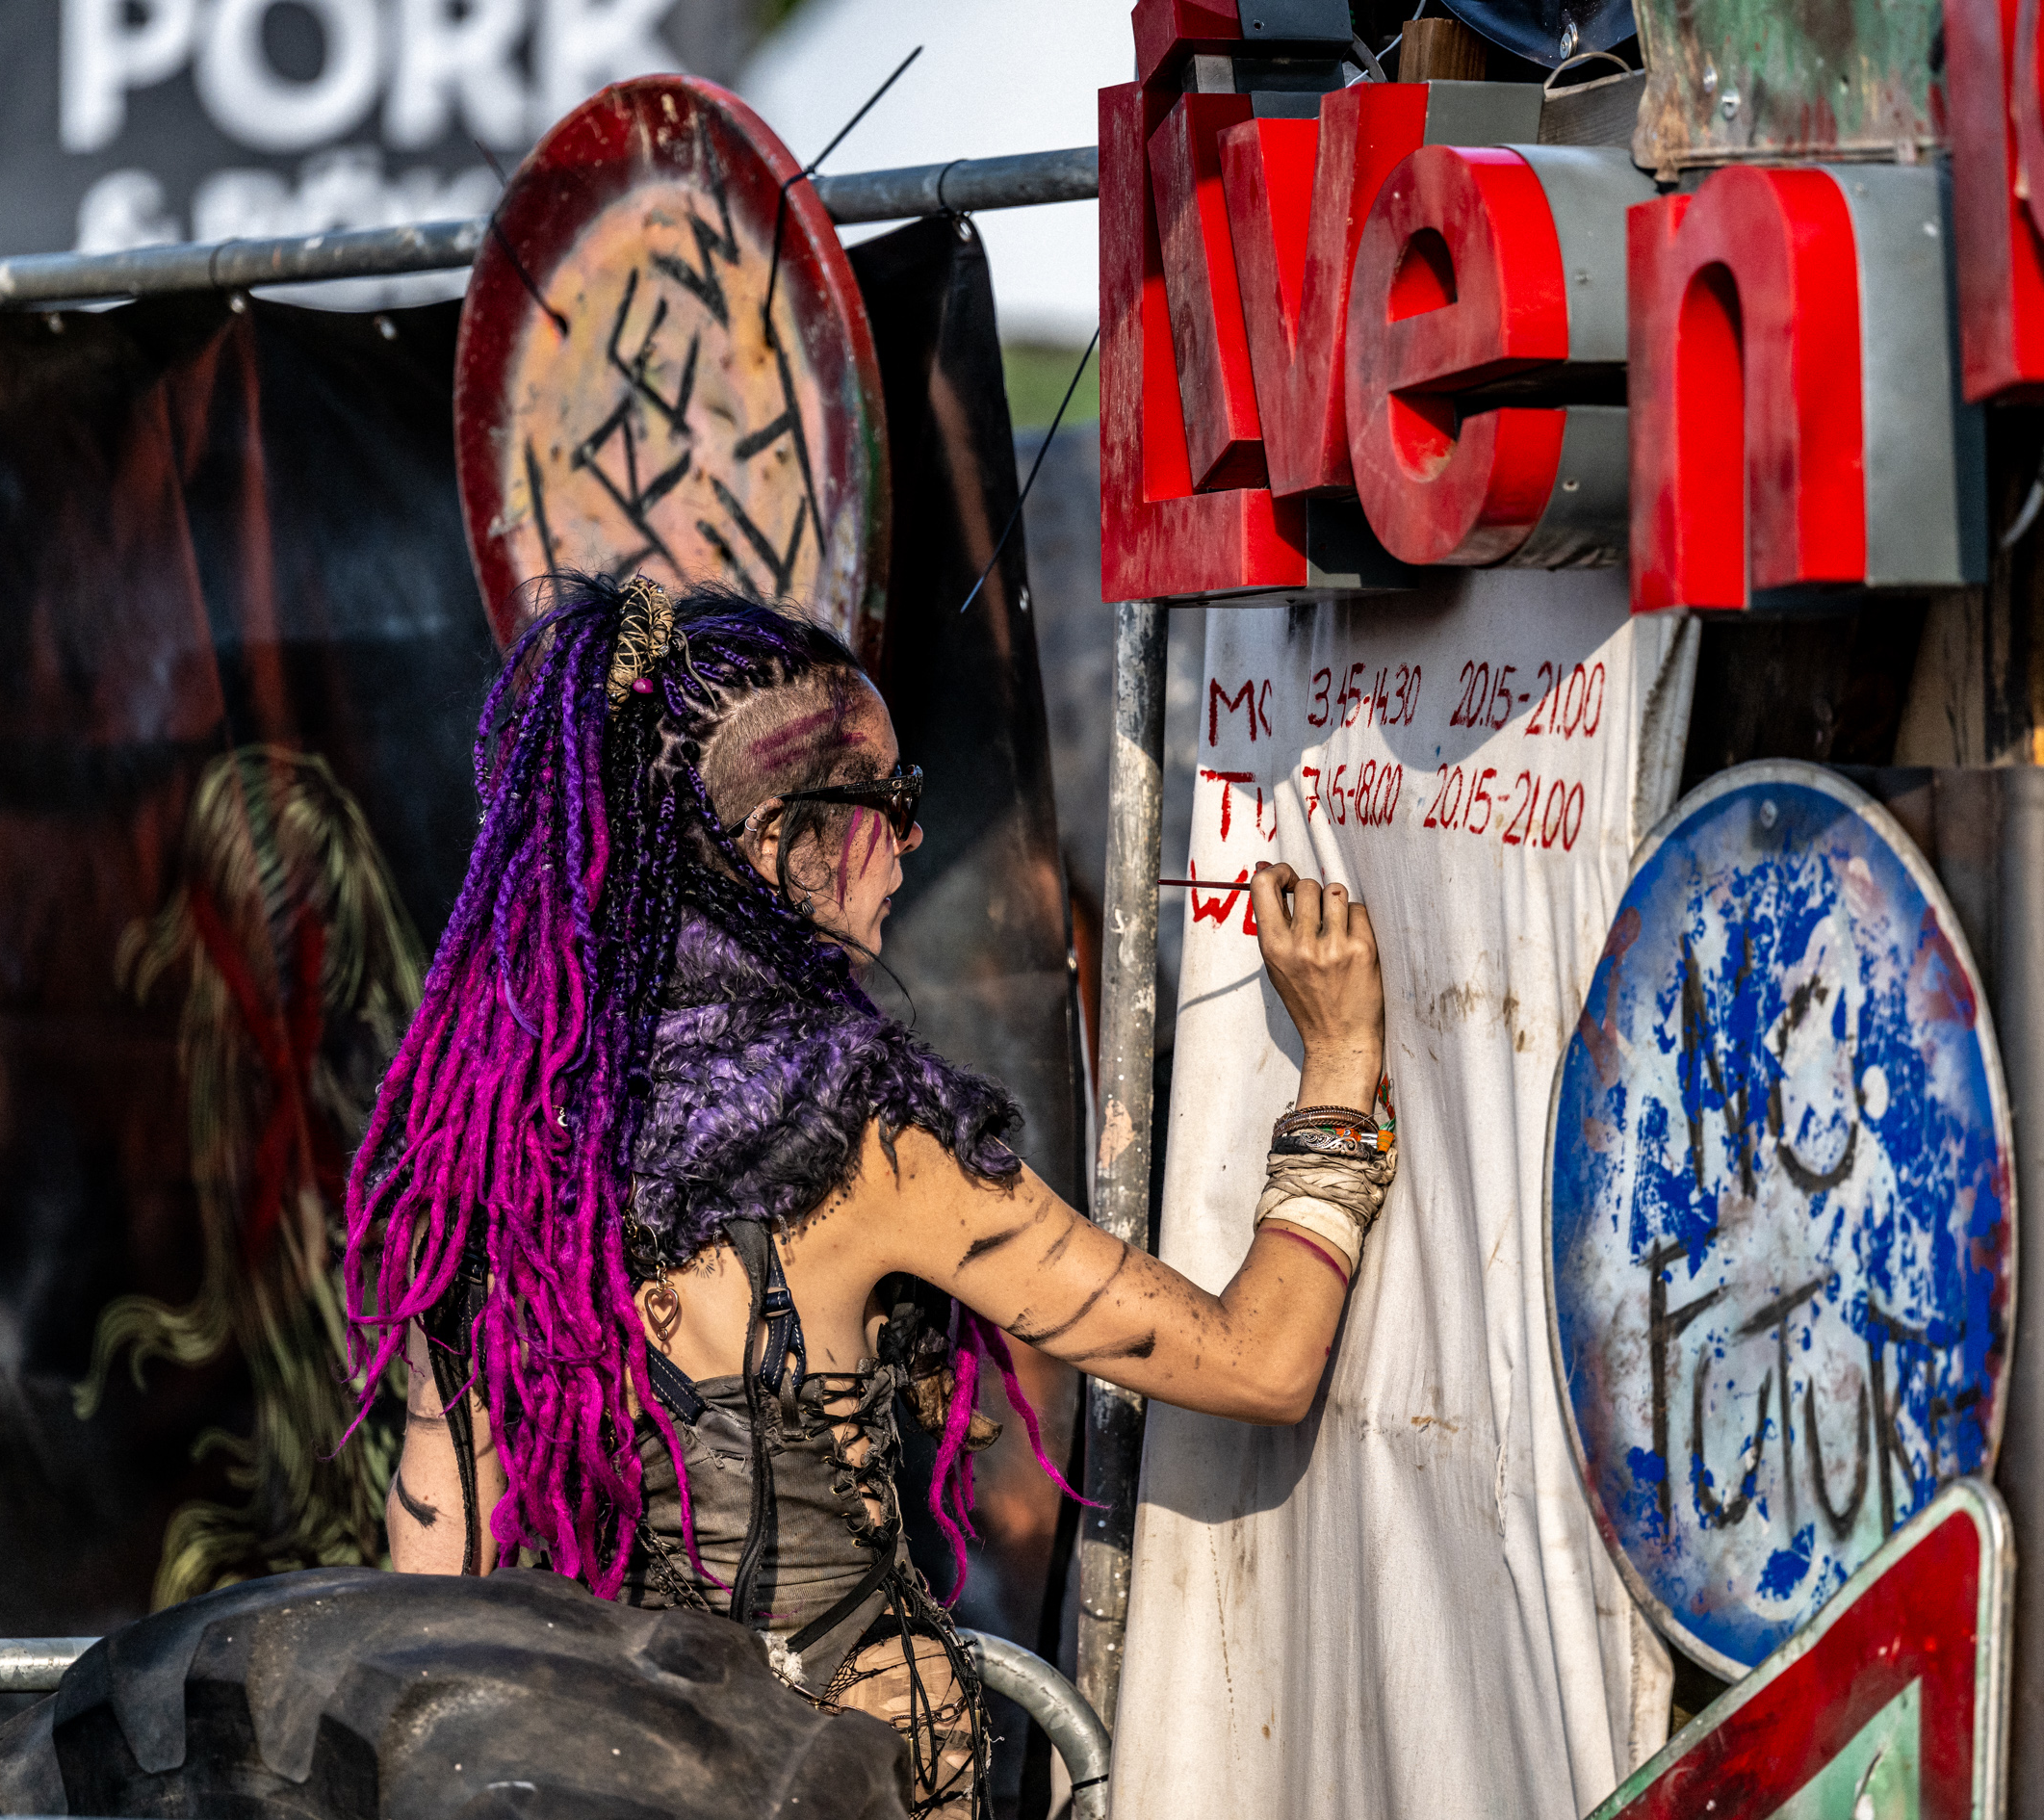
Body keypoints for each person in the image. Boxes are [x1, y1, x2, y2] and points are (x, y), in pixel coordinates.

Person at [353, 574, 1394, 1814]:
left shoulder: (500, 1161)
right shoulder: (864, 1141)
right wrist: (1339, 1066)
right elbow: (1260, 1362)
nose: (911, 838)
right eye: (889, 802)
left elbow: (432, 1599)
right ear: (775, 844)